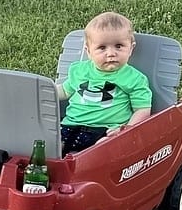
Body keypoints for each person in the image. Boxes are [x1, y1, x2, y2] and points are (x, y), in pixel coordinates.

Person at [59, 11, 153, 155]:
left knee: (101, 150)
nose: (111, 53)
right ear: (88, 51)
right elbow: (65, 92)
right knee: (48, 143)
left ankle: (82, 166)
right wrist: (40, 91)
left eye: (119, 46)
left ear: (131, 48)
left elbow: (142, 109)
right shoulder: (79, 70)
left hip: (107, 130)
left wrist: (126, 130)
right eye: (102, 48)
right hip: (70, 125)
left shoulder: (134, 78)